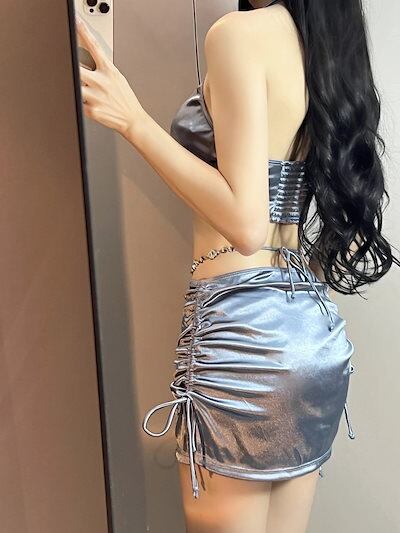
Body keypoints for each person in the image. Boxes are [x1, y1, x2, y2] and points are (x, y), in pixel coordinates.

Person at [75, 1, 399, 531]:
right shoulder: (323, 46)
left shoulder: (237, 36)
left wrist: (134, 122)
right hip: (310, 334)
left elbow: (247, 225)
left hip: (243, 338)